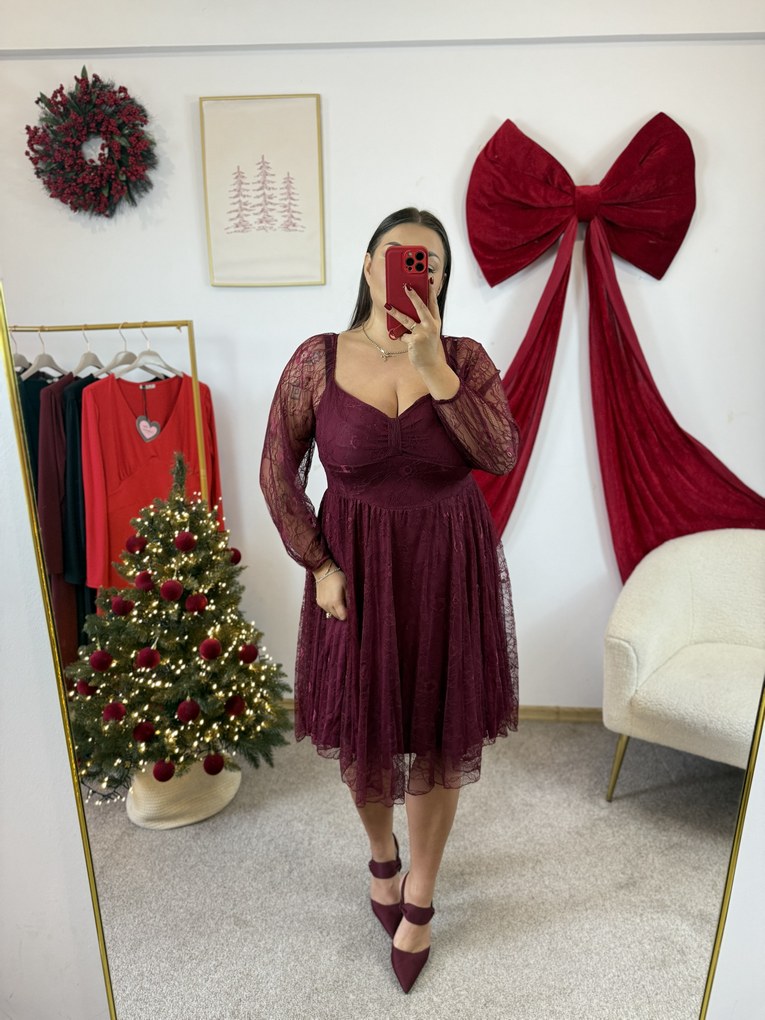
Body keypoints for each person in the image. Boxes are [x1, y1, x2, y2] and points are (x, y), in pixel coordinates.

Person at [260, 207, 519, 993]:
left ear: (439, 279)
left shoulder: (464, 360)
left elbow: (500, 453)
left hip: (447, 567)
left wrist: (435, 368)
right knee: (364, 726)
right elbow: (277, 471)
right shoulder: (316, 359)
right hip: (356, 572)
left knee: (439, 729)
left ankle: (421, 895)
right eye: (402, 256)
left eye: (430, 262)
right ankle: (382, 857)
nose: (416, 269)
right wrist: (319, 565)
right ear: (371, 265)